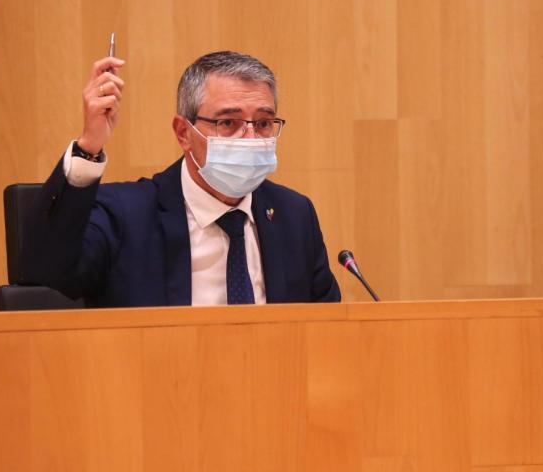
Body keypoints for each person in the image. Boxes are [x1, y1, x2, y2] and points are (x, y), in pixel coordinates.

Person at [23, 51, 341, 307]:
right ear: (183, 133)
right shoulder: (126, 216)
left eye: (263, 123)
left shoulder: (293, 216)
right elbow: (52, 271)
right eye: (228, 122)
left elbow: (326, 334)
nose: (250, 137)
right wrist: (89, 145)